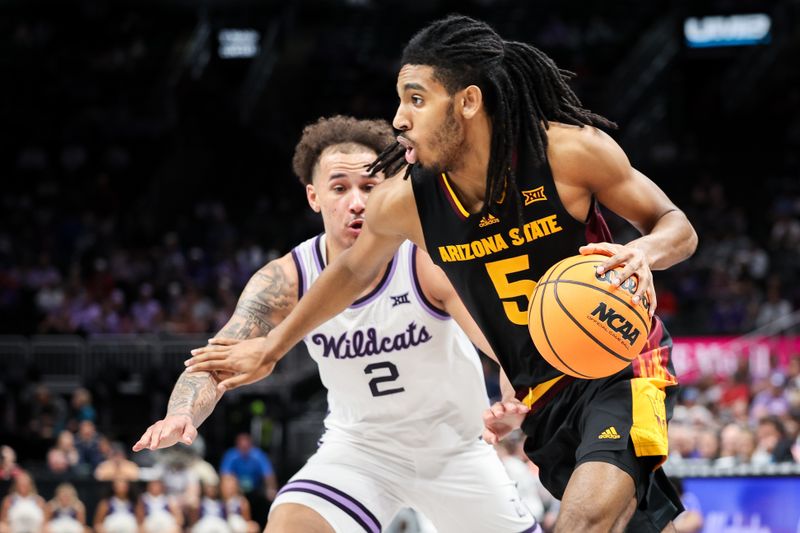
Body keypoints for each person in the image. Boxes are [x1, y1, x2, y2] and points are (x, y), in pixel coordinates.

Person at [184, 15, 699, 533]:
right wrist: (271, 348)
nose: (400, 119)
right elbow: (351, 273)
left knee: (585, 521)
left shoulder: (569, 153)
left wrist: (646, 252)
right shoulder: (407, 202)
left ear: (468, 102)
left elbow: (677, 225)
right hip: (544, 392)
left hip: (621, 361)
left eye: (416, 99)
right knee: (639, 525)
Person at [134, 115, 538, 533]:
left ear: (391, 189)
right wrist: (180, 413)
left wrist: (511, 400)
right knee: (290, 523)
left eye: (369, 186)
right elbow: (217, 360)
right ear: (314, 197)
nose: (357, 202)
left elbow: (505, 346)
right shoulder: (287, 278)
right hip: (361, 452)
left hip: (456, 450)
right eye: (340, 188)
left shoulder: (425, 260)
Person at [219, 433, 277, 503]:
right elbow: (225, 475)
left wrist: (271, 489)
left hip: (256, 490)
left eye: (246, 447)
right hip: (237, 490)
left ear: (251, 445)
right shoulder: (231, 455)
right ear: (237, 445)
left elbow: (268, 475)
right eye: (242, 447)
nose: (244, 450)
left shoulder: (259, 455)